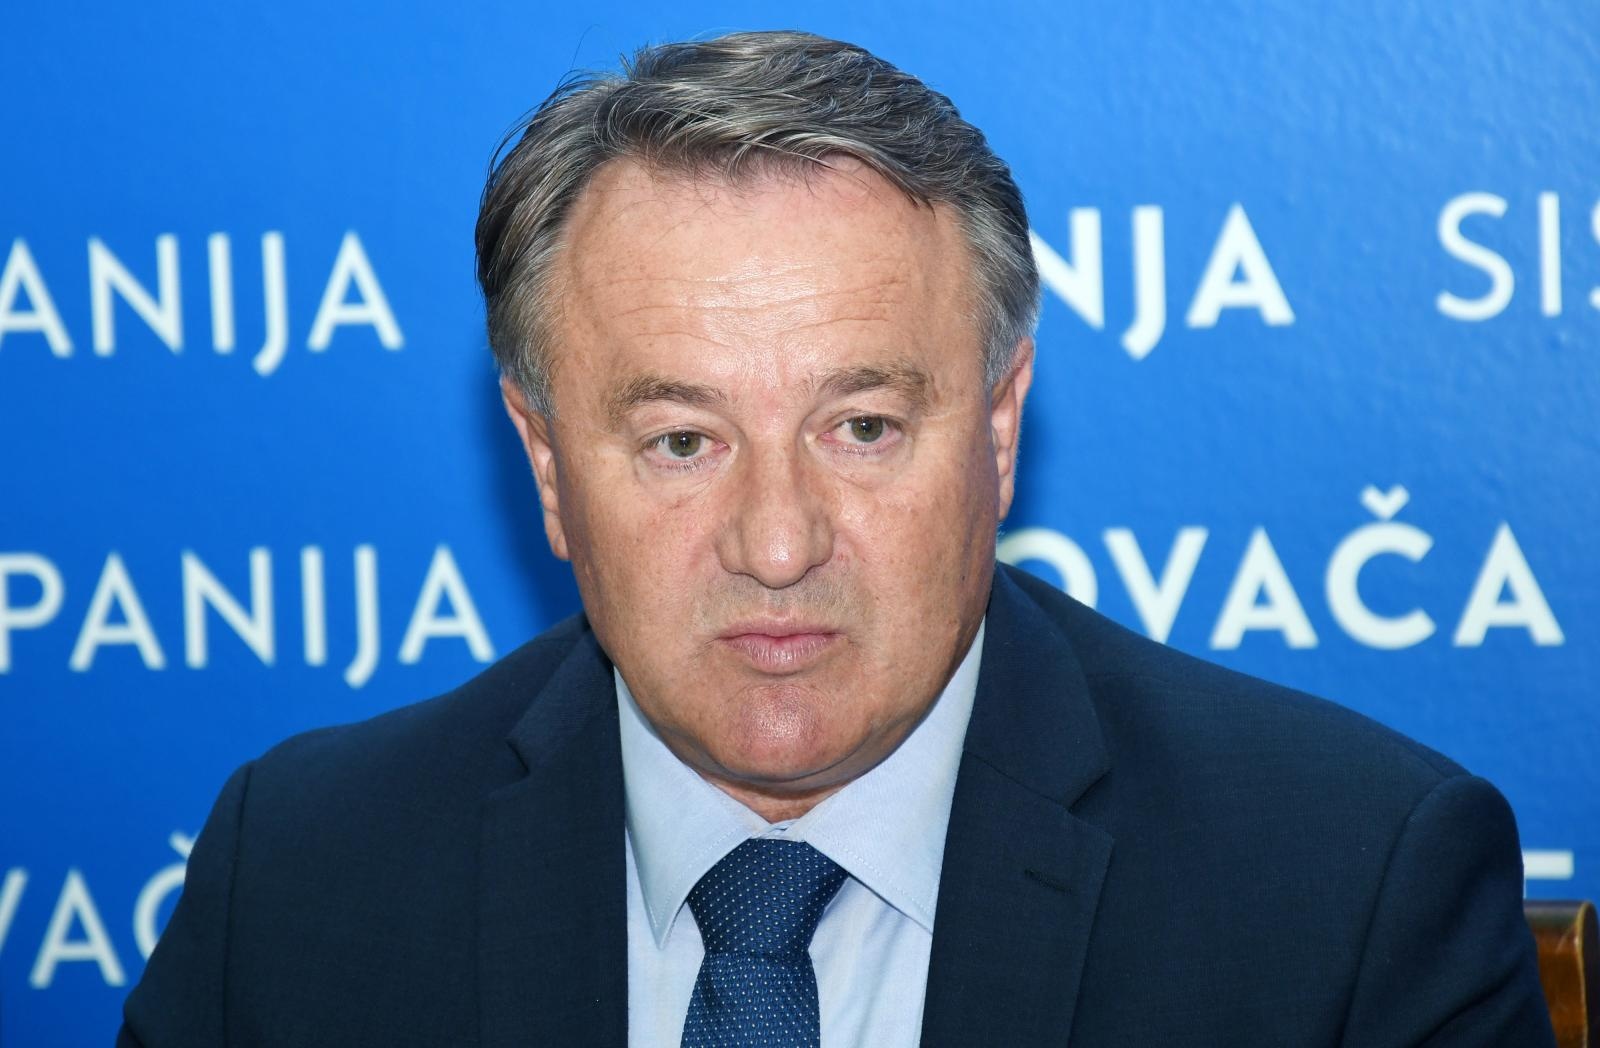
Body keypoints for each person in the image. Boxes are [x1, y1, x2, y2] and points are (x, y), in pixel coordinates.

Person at [120, 29, 1554, 1047]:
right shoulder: (301, 882)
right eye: (682, 440)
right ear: (548, 464)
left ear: (999, 426)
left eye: (860, 426)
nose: (778, 542)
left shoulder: (1351, 896)